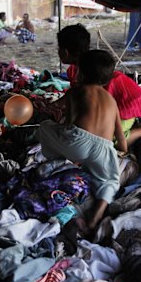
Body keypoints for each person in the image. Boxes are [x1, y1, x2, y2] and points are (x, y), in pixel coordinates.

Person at [37, 50, 127, 235]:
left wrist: (47, 111)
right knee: (110, 180)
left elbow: (67, 123)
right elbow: (122, 144)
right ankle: (97, 215)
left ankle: (57, 162)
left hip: (77, 142)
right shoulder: (112, 101)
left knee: (45, 127)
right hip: (104, 146)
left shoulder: (76, 91)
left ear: (81, 73)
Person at [57, 24, 141, 146]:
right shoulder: (77, 70)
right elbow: (75, 96)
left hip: (128, 105)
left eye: (59, 48)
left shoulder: (91, 73)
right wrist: (57, 104)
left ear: (66, 52)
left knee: (108, 141)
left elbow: (83, 100)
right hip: (119, 105)